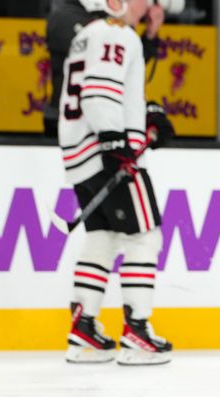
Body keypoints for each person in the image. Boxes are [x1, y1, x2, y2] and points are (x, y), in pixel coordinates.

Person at [59, 0, 175, 366]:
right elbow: (99, 91)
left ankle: (84, 328)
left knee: (102, 237)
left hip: (78, 156)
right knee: (145, 235)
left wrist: (143, 118)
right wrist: (115, 142)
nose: (150, 4)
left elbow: (107, 89)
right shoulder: (116, 32)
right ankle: (137, 329)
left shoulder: (88, 33)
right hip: (105, 153)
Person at [44, 0, 164, 137]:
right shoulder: (67, 15)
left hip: (98, 124)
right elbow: (102, 64)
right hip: (68, 125)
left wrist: (149, 35)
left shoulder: (103, 22)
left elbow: (124, 64)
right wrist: (128, 21)